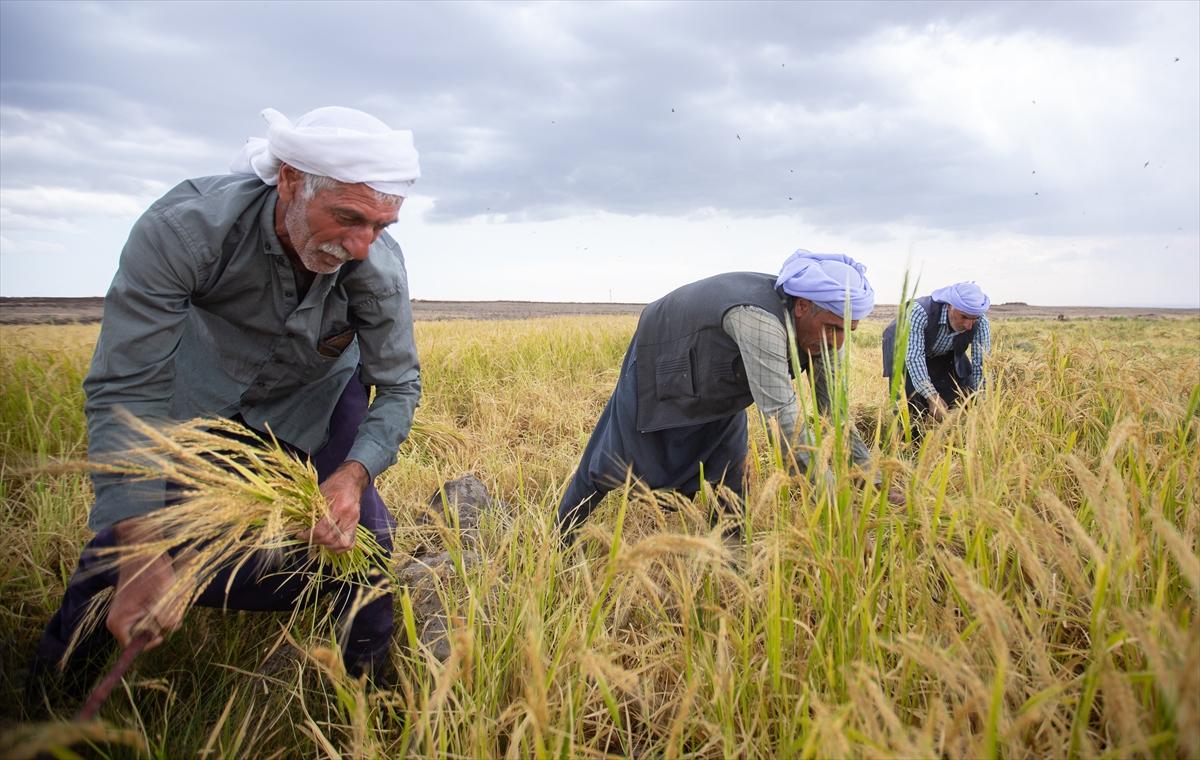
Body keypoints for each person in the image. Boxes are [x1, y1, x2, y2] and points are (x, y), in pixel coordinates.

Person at [27, 106, 422, 706]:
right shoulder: (185, 231)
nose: (363, 245)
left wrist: (351, 473)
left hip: (315, 395)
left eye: (381, 224)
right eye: (347, 217)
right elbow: (126, 385)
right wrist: (142, 544)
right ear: (290, 179)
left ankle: (366, 703)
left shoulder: (376, 271)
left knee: (363, 546)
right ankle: (54, 699)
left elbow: (397, 386)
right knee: (123, 546)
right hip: (204, 389)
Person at [557, 250, 902, 544]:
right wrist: (840, 515)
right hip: (664, 357)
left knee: (731, 472)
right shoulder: (758, 321)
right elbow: (784, 423)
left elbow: (835, 417)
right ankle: (561, 537)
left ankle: (729, 559)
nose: (838, 342)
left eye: (848, 331)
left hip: (724, 379)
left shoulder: (826, 336)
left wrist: (876, 480)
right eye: (833, 327)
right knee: (610, 459)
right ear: (802, 306)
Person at [881, 281, 991, 433]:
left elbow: (981, 365)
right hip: (903, 350)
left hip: (941, 351)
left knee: (959, 394)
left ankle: (947, 436)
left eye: (974, 319)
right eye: (964, 317)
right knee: (910, 406)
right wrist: (932, 397)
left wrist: (981, 399)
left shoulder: (981, 322)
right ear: (950, 306)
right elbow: (914, 357)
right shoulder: (919, 311)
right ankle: (908, 445)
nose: (968, 326)